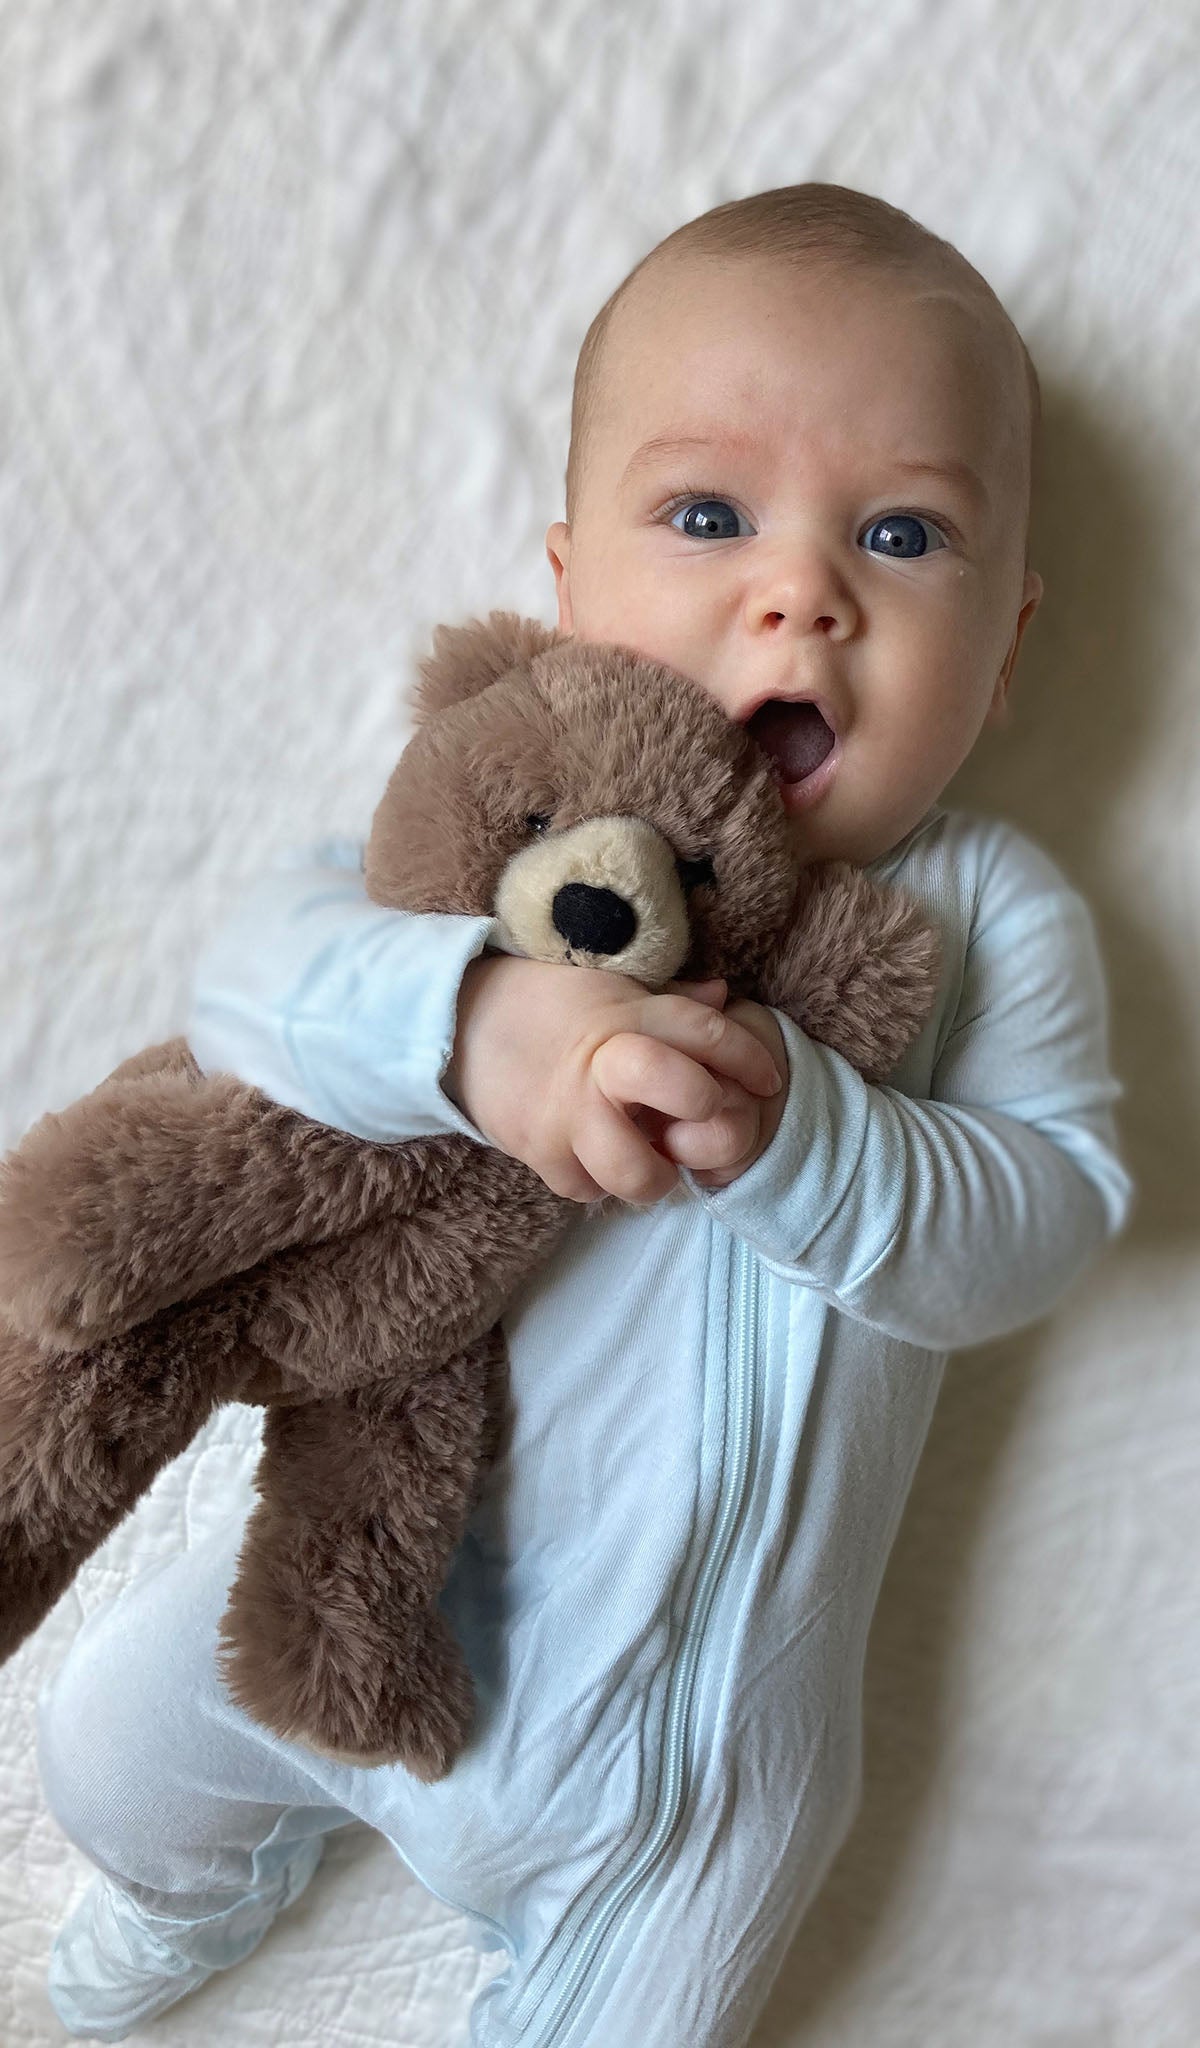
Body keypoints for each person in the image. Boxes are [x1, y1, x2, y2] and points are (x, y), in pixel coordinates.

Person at [36, 184, 1134, 2047]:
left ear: (1008, 650)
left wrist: (816, 1141)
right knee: (101, 1754)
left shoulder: (988, 916)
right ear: (567, 590)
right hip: (360, 1595)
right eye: (706, 516)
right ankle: (190, 1884)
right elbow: (253, 971)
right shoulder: (511, 832)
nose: (802, 591)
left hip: (684, 1787)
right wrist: (483, 1024)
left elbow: (1053, 1206)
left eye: (903, 532)